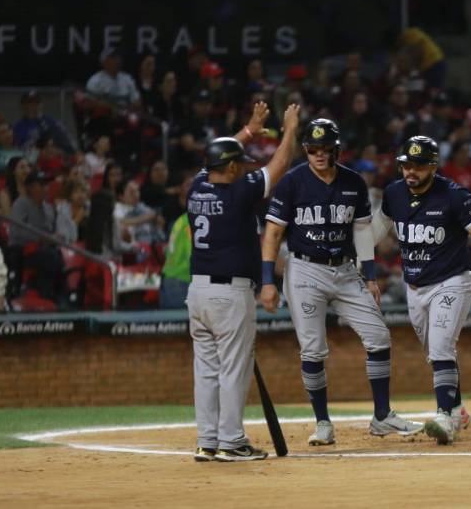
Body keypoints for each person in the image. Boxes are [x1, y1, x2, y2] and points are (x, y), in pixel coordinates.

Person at [260, 118, 423, 448]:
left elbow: (362, 231)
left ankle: (381, 416)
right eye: (312, 149)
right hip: (304, 270)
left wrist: (370, 276)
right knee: (313, 348)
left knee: (378, 336)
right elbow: (273, 233)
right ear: (306, 150)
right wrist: (267, 281)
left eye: (325, 148)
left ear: (336, 149)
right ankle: (323, 423)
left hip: (345, 269)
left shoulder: (353, 182)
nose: (319, 154)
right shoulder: (292, 182)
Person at [186, 101, 300, 463]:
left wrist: (249, 130)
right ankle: (231, 441)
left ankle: (207, 440)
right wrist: (290, 130)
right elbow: (279, 165)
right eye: (240, 163)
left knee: (207, 370)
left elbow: (215, 158)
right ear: (232, 167)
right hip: (229, 294)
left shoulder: (197, 187)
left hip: (198, 292)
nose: (245, 167)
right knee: (234, 368)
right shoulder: (238, 193)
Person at [379, 136, 471, 444]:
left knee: (442, 348)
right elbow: (379, 228)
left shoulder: (454, 195)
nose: (411, 171)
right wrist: (360, 252)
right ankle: (456, 409)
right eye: (406, 165)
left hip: (451, 281)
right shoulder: (393, 193)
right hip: (414, 285)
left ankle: (445, 417)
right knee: (436, 354)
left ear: (433, 167)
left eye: (418, 166)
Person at [8, 172, 64, 303]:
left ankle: (61, 298)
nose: (46, 188)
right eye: (42, 185)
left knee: (59, 256)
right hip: (23, 250)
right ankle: (45, 295)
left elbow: (54, 231)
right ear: (30, 187)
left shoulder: (49, 208)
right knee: (49, 257)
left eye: (47, 185)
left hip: (46, 248)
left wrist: (57, 236)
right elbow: (17, 231)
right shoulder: (20, 204)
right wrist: (42, 238)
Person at [160, 178, 194, 309]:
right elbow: (192, 256)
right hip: (181, 282)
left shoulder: (181, 220)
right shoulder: (191, 223)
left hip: (169, 280)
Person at [55, 178, 89, 244]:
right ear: (69, 194)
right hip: (68, 247)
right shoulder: (63, 209)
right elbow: (64, 238)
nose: (80, 195)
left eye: (83, 191)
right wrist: (76, 220)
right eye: (76, 192)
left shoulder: (89, 207)